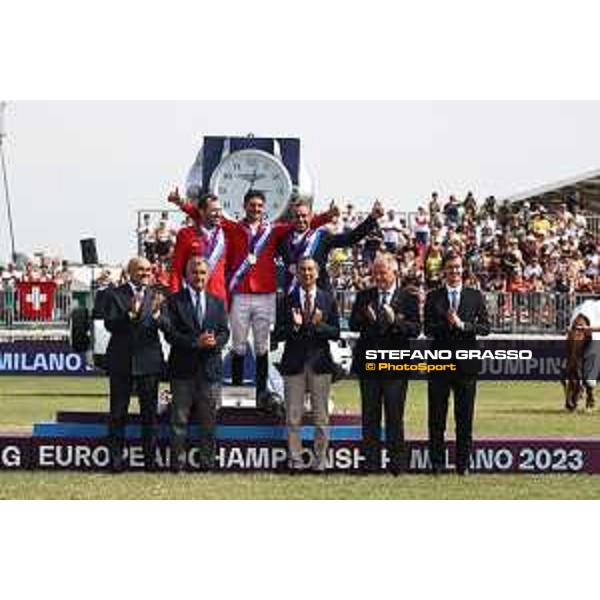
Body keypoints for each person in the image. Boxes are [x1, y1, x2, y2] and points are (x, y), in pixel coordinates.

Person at [223, 190, 334, 408]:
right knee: (238, 345)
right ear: (244, 206)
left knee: (263, 346)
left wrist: (327, 216)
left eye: (259, 206)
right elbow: (210, 218)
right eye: (252, 205)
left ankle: (262, 394)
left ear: (264, 209)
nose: (256, 209)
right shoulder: (233, 228)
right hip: (241, 293)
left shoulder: (272, 230)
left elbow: (301, 224)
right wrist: (184, 206)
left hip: (264, 293)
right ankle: (236, 396)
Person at [349, 253, 421, 475]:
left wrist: (394, 321)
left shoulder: (408, 297)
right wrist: (369, 319)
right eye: (375, 272)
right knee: (370, 416)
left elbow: (415, 330)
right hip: (369, 364)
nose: (378, 276)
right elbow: (353, 324)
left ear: (394, 272)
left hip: (396, 366)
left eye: (383, 272)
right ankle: (370, 463)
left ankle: (396, 465)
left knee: (394, 416)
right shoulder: (365, 296)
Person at [424, 252, 491, 475]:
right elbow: (427, 330)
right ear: (443, 270)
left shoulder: (475, 296)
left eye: (457, 267)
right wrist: (448, 323)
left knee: (464, 419)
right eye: (450, 267)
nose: (454, 271)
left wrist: (463, 325)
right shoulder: (434, 296)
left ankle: (463, 465)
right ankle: (437, 464)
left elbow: (485, 328)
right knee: (437, 418)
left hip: (466, 365)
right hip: (439, 364)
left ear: (463, 269)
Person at [162, 256, 230, 472]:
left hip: (210, 370)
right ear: (186, 275)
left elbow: (224, 332)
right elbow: (170, 334)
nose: (199, 276)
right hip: (182, 370)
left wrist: (214, 342)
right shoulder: (173, 301)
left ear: (208, 275)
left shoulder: (217, 302)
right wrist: (194, 342)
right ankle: (177, 464)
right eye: (195, 272)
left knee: (209, 421)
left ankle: (207, 464)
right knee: (179, 420)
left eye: (202, 272)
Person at [274, 257, 340, 472]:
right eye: (302, 269)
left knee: (321, 418)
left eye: (311, 269)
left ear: (317, 273)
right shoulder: (287, 300)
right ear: (297, 274)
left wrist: (318, 325)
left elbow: (336, 332)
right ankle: (296, 460)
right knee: (293, 417)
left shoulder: (327, 299)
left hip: (320, 366)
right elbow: (278, 334)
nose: (307, 273)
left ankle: (320, 460)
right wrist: (294, 327)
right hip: (294, 365)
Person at [103, 257, 165, 472]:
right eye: (141, 269)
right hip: (122, 362)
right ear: (130, 272)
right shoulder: (115, 294)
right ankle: (116, 462)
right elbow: (110, 324)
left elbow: (166, 325)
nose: (146, 273)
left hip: (149, 362)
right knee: (118, 414)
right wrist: (130, 314)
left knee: (149, 415)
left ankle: (150, 463)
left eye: (148, 270)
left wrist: (158, 315)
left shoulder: (157, 294)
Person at [277, 200, 384, 294]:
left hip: (320, 295)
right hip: (293, 296)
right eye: (297, 216)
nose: (300, 219)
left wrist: (372, 218)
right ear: (292, 218)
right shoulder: (283, 240)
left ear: (311, 216)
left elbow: (350, 238)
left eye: (304, 216)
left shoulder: (322, 237)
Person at [169, 191, 228, 305]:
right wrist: (173, 297)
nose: (218, 214)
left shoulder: (227, 232)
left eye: (220, 210)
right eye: (214, 210)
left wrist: (182, 203)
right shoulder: (186, 234)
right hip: (191, 298)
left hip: (218, 298)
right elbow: (176, 269)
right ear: (201, 211)